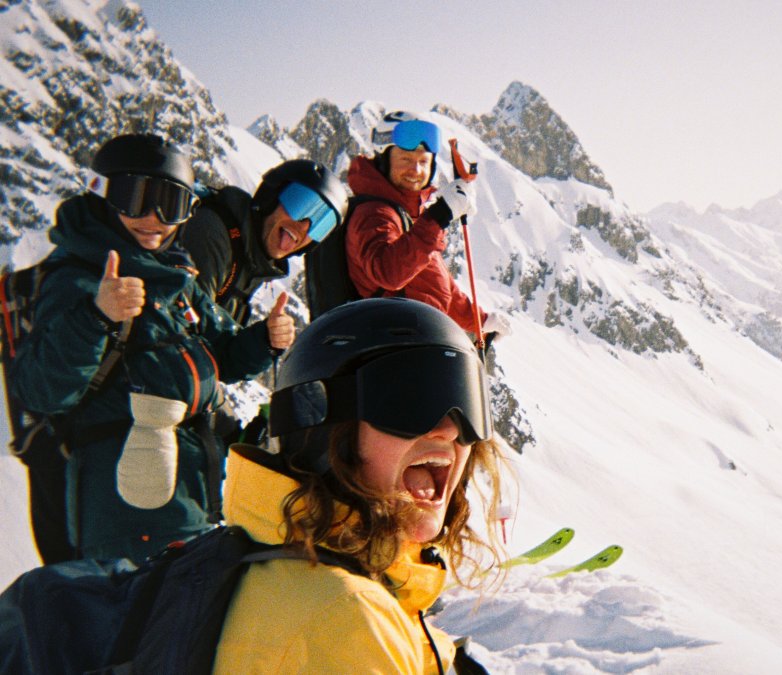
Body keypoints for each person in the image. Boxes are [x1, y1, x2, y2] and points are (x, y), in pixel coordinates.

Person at [12, 133, 294, 562]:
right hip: (124, 512)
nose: (155, 218)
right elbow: (43, 389)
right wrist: (97, 317)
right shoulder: (78, 277)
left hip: (191, 492)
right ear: (102, 193)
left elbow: (224, 355)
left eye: (172, 204)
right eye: (135, 198)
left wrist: (265, 339)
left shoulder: (176, 278)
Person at [214, 298, 506, 673]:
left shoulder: (271, 559)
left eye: (466, 402)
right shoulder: (346, 619)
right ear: (319, 430)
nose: (450, 429)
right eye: (409, 402)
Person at [345, 110, 511, 340]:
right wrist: (439, 215)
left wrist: (481, 321)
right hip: (392, 350)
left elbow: (436, 289)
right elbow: (388, 272)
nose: (416, 171)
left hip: (418, 345)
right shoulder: (375, 213)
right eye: (405, 159)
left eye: (423, 162)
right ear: (383, 159)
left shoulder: (410, 220)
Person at [180, 159, 348, 326]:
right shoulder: (211, 233)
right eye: (300, 205)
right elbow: (188, 330)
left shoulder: (251, 264)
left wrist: (266, 343)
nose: (304, 226)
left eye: (321, 225)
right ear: (270, 197)